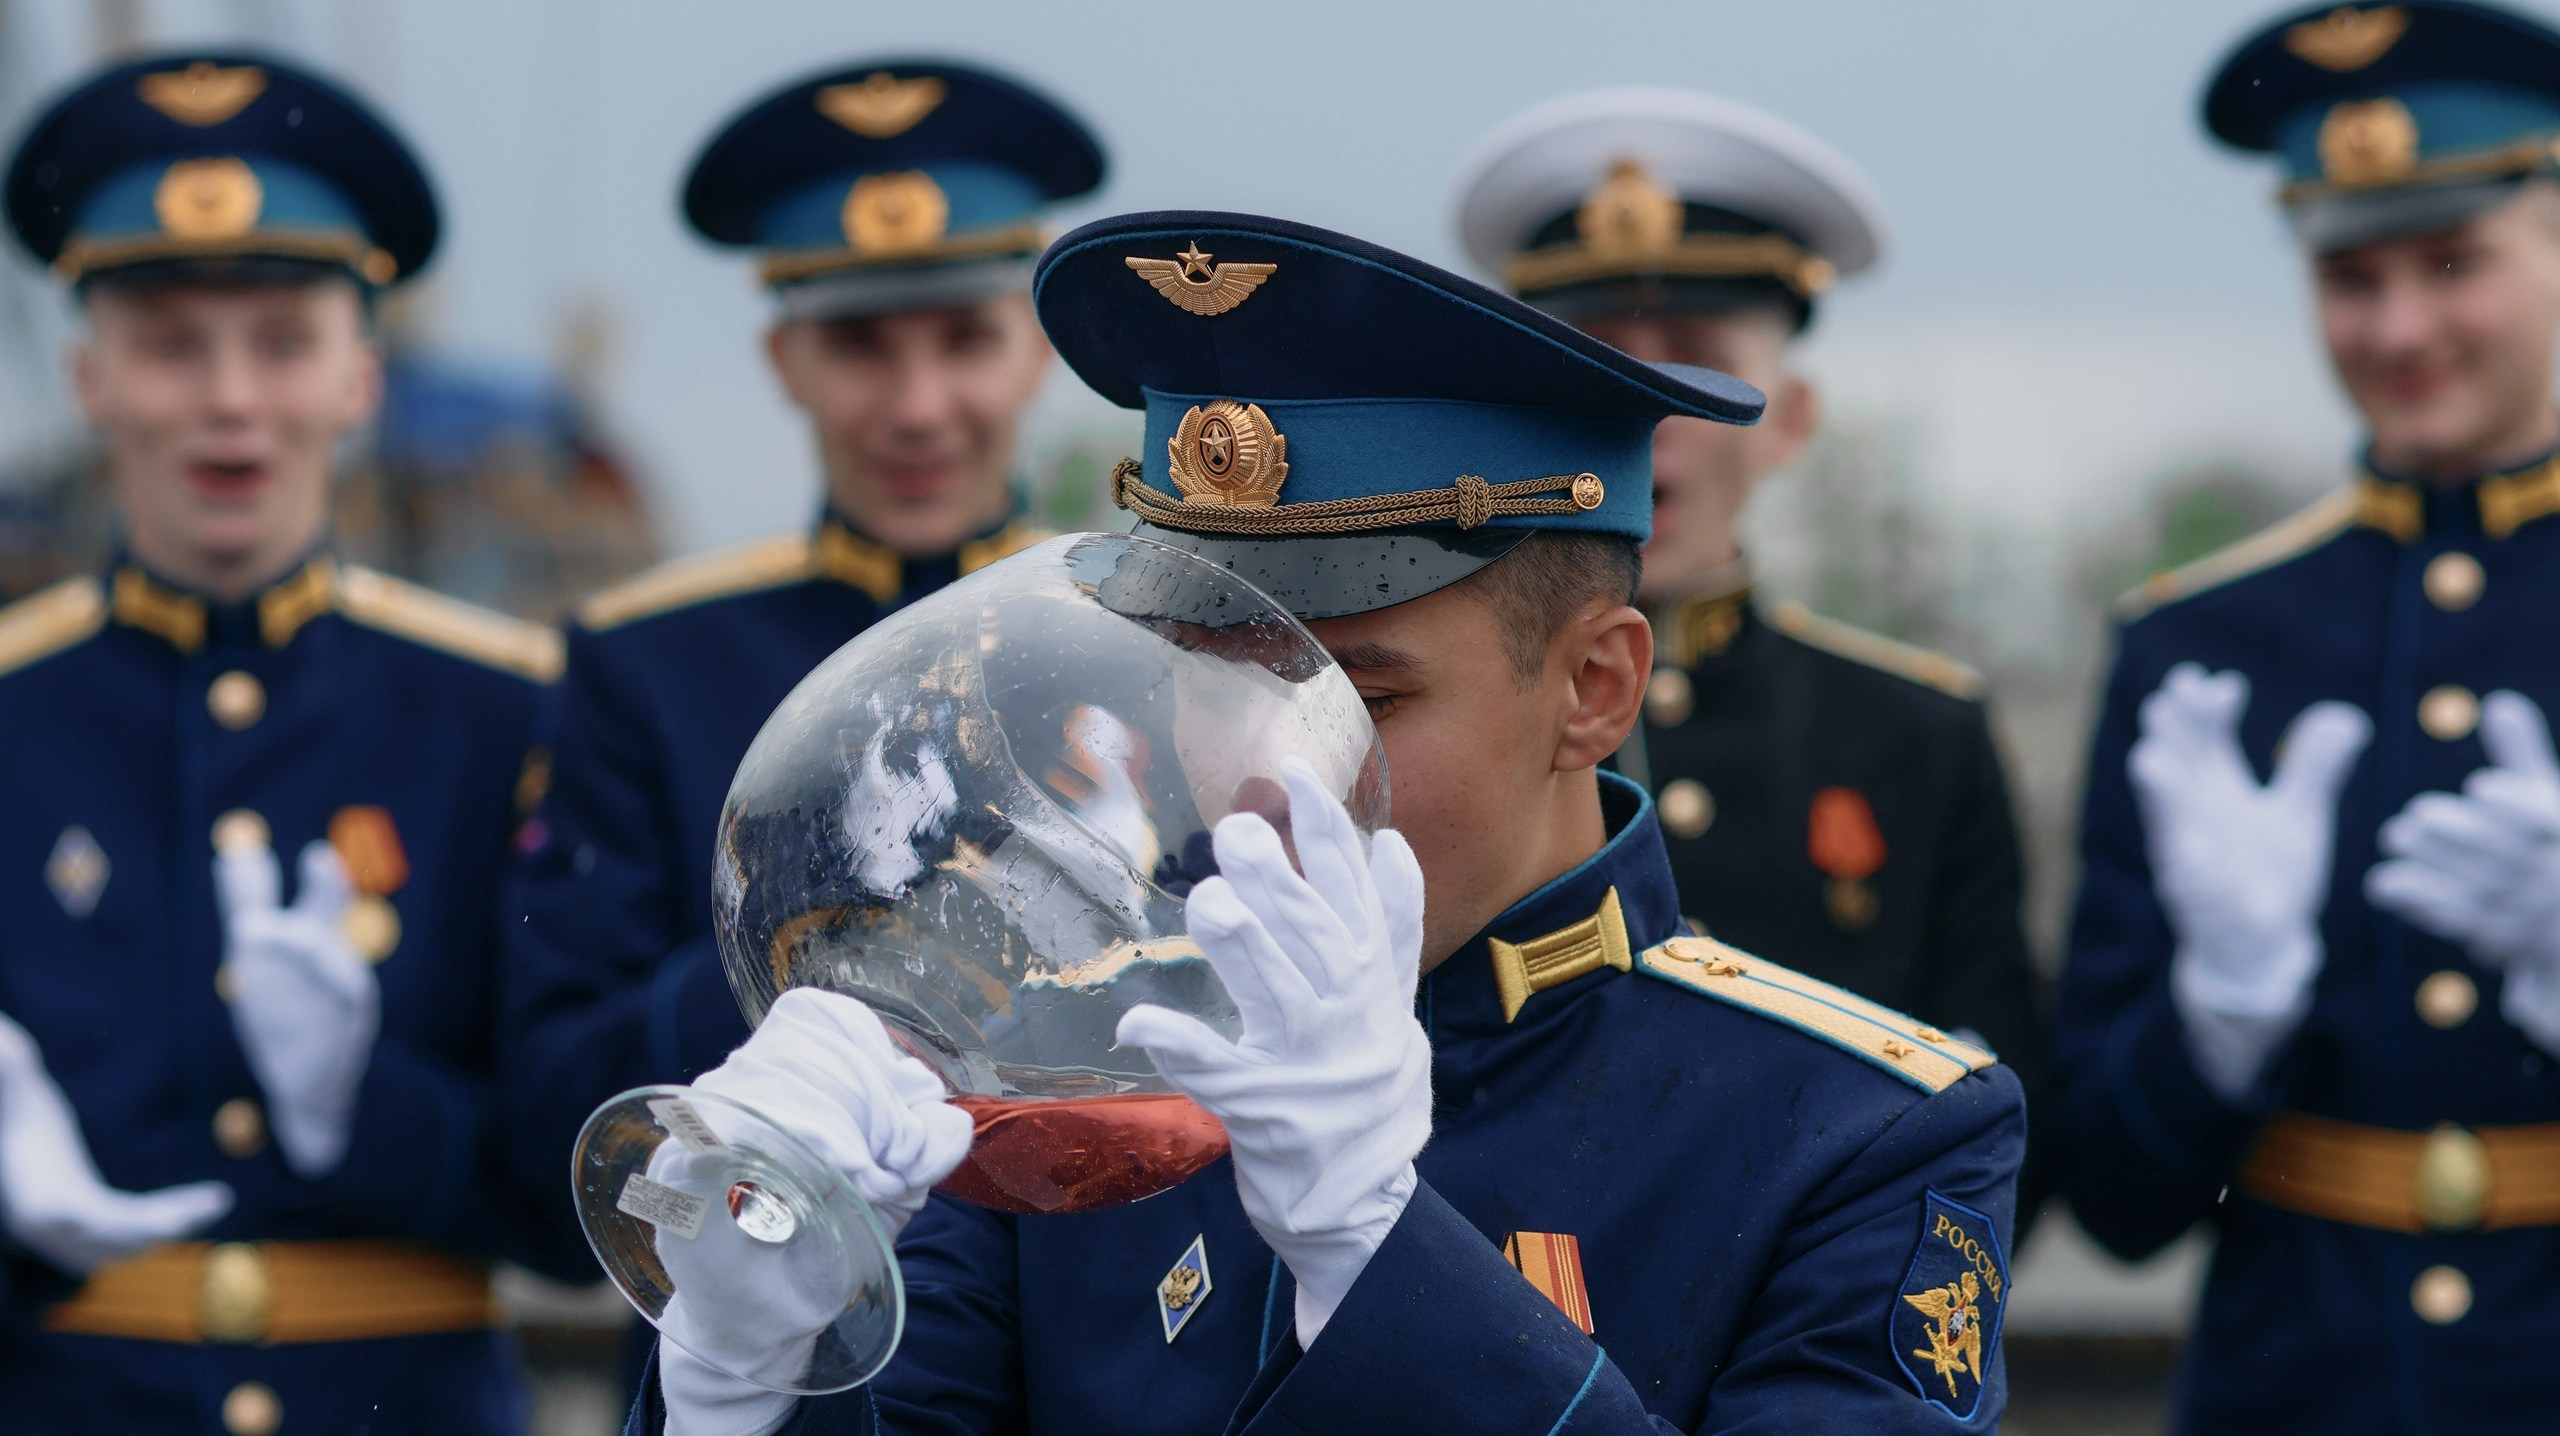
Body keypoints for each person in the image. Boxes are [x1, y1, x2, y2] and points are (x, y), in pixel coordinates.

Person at [624, 211, 2027, 1434]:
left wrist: (1379, 1255)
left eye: (1359, 695)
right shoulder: (1068, 1062)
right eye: (1199, 677)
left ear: (1594, 689)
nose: (1259, 773)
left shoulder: (1852, 1134)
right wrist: (749, 1375)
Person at [0, 51, 578, 1433]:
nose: (229, 398)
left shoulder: (513, 713)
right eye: (171, 342)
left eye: (280, 341)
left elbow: (589, 1199)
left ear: (360, 378)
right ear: (90, 375)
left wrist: (358, 1109)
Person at [2053, 3, 2560, 1428]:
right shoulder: (2198, 644)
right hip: (2298, 1384)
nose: (2398, 327)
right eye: (2350, 274)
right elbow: (2115, 1193)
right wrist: (2216, 1024)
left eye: (2455, 262)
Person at [498, 60, 1099, 1230]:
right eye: (862, 346)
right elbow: (554, 1107)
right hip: (765, 1300)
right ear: (786, 363)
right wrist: (800, 951)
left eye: (964, 340)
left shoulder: (1132, 637)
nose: (918, 405)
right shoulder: (645, 667)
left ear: (1036, 351)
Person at [1451, 89, 2045, 1110]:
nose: (1643, 410)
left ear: (1791, 420)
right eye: (1591, 362)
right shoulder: (1438, 712)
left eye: (1696, 363)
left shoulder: (1915, 734)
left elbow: (2010, 1124)